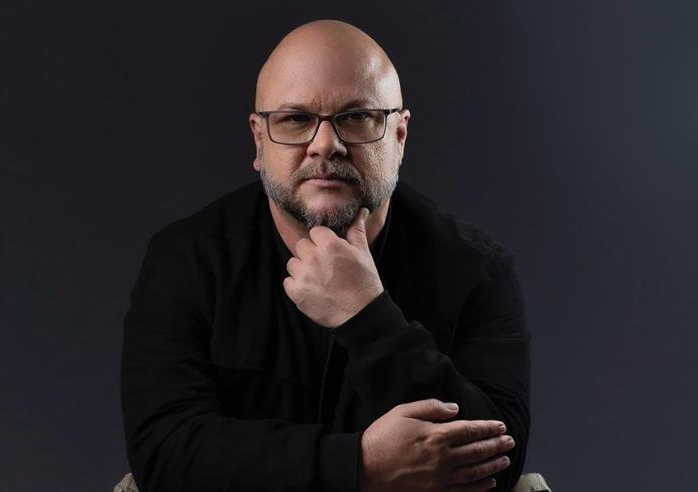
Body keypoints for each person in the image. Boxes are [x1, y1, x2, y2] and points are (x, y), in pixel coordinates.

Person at [121, 19, 530, 492]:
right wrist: (361, 465)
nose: (325, 145)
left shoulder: (477, 270)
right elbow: (163, 455)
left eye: (357, 117)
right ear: (259, 140)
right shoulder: (185, 259)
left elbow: (498, 463)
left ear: (399, 136)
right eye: (296, 120)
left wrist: (367, 317)